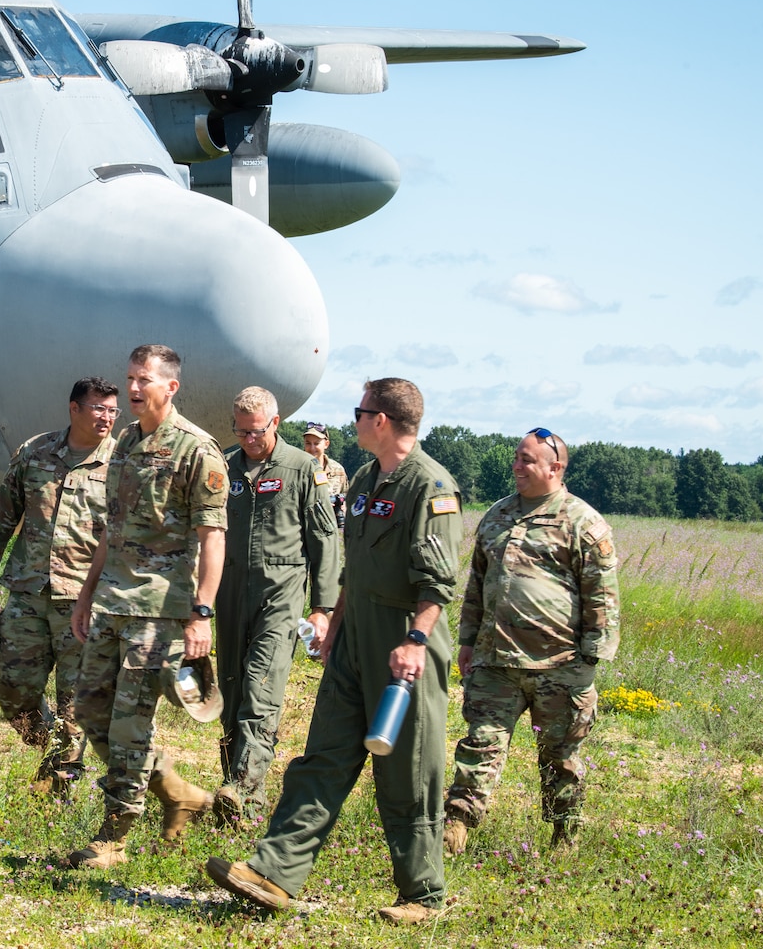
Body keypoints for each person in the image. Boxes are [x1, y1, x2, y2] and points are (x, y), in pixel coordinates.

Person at [206, 378, 463, 925]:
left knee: (408, 771)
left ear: (384, 420)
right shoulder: (368, 477)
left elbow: (438, 584)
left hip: (404, 640)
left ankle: (423, 895)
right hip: (354, 638)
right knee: (323, 756)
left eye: (361, 410)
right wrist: (334, 622)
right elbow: (355, 565)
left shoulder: (431, 485)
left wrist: (416, 642)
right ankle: (274, 873)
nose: (354, 419)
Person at [66, 345, 229, 869]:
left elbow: (213, 539)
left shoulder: (197, 451)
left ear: (171, 387)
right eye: (131, 378)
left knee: (131, 722)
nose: (134, 389)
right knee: (90, 709)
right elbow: (112, 532)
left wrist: (201, 613)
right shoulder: (124, 444)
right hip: (112, 601)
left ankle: (115, 832)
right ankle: (176, 791)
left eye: (145, 380)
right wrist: (87, 595)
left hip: (159, 613)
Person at [443, 427, 621, 854]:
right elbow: (478, 583)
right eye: (516, 458)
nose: (516, 466)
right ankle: (455, 831)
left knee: (560, 759)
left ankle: (564, 838)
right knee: (479, 746)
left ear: (554, 468)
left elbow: (602, 593)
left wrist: (590, 659)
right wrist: (467, 640)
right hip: (496, 662)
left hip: (559, 666)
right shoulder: (497, 516)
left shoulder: (582, 522)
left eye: (526, 460)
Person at [0, 377, 120, 798]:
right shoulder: (35, 453)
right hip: (28, 594)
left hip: (84, 603)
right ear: (74, 408)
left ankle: (60, 787)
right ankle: (50, 754)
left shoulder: (122, 463)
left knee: (76, 703)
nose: (107, 417)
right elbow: (2, 516)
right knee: (13, 693)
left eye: (113, 410)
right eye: (98, 409)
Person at [213, 387, 341, 824]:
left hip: (279, 596)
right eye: (241, 430)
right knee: (230, 690)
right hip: (229, 594)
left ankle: (242, 785)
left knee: (259, 686)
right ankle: (240, 806)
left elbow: (325, 538)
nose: (249, 439)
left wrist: (323, 607)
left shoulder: (302, 468)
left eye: (257, 430)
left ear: (276, 422)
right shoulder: (225, 466)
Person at [301, 423, 349, 528]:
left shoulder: (338, 470)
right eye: (308, 443)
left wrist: (343, 507)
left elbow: (346, 496)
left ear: (326, 444)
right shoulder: (297, 469)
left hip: (332, 527)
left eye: (316, 443)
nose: (312, 448)